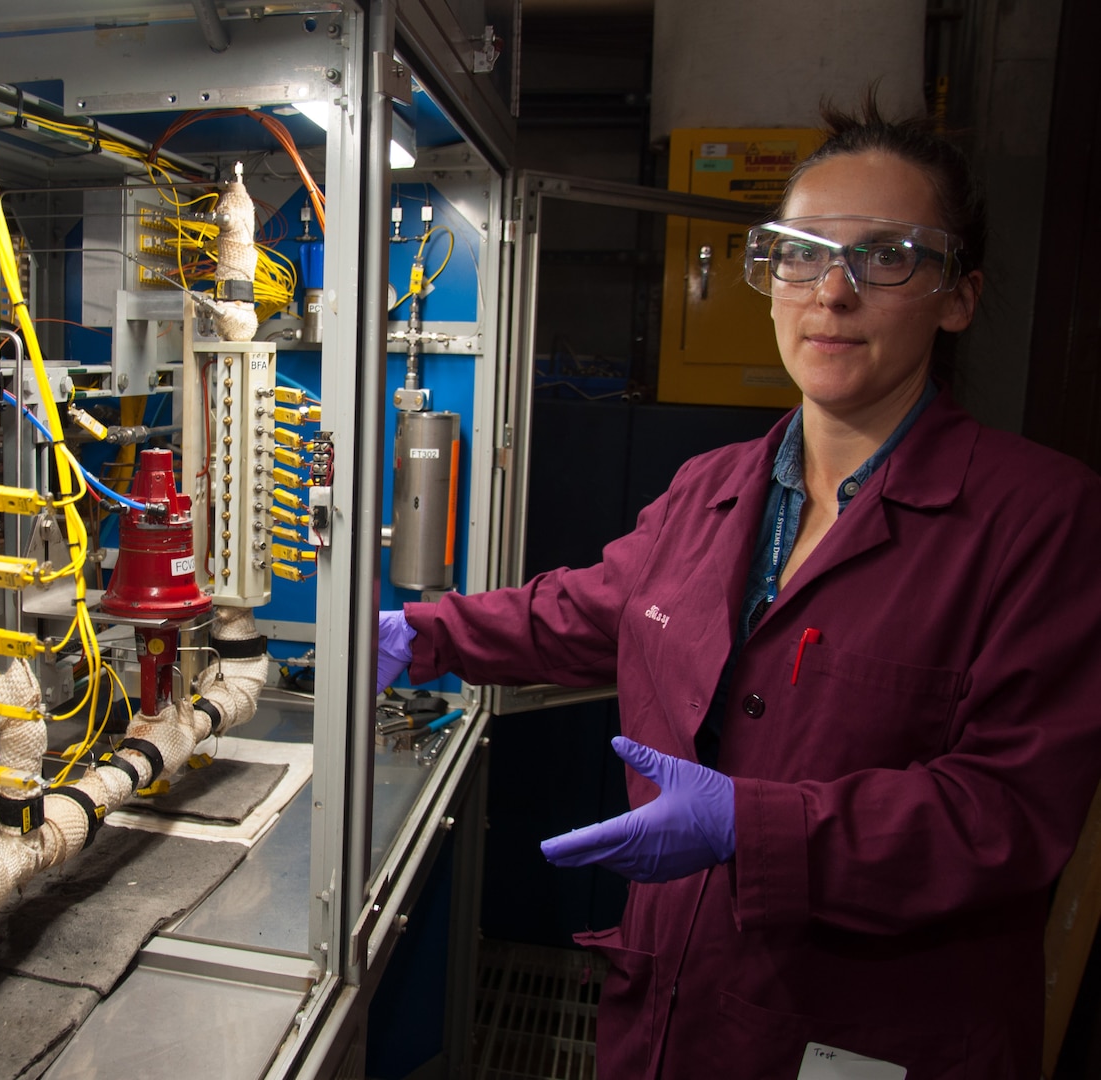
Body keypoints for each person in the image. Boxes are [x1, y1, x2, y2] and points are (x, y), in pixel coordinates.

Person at [377, 97, 1101, 1079]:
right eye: (801, 252)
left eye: (886, 256)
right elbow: (594, 608)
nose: (830, 295)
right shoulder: (713, 488)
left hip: (862, 1032)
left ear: (959, 294)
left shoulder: (1042, 520)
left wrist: (747, 825)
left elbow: (1009, 813)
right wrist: (419, 633)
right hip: (672, 1011)